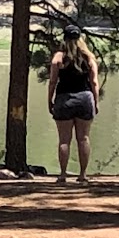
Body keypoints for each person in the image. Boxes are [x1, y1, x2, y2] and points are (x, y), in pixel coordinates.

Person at [46, 26, 100, 182]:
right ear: (80, 39)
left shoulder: (58, 57)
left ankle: (63, 174)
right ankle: (83, 174)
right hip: (85, 99)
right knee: (83, 138)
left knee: (64, 140)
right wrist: (96, 102)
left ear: (65, 38)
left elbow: (52, 82)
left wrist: (49, 100)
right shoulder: (88, 57)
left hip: (64, 99)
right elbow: (94, 82)